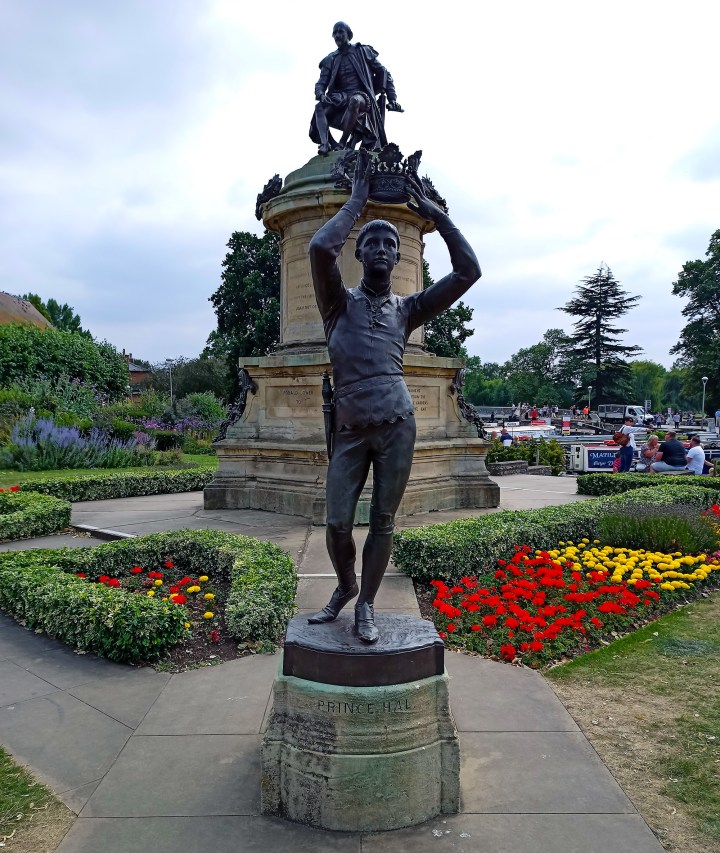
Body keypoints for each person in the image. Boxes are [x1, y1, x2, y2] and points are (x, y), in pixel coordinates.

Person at [307, 148, 481, 642]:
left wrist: (440, 218)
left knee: (382, 522)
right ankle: (344, 587)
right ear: (358, 254)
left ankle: (366, 605)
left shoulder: (407, 310)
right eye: (372, 242)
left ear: (399, 256)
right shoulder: (337, 304)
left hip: (397, 425)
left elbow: (468, 272)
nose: (382, 248)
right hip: (348, 428)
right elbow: (320, 250)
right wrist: (356, 203)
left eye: (390, 242)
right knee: (339, 523)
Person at [310, 22, 403, 155]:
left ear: (349, 34)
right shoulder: (330, 59)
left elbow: (383, 72)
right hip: (340, 96)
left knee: (355, 100)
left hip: (361, 95)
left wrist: (392, 98)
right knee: (319, 107)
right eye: (335, 33)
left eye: (340, 32)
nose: (337, 35)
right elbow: (321, 83)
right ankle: (325, 144)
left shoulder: (362, 51)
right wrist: (320, 94)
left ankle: (343, 142)